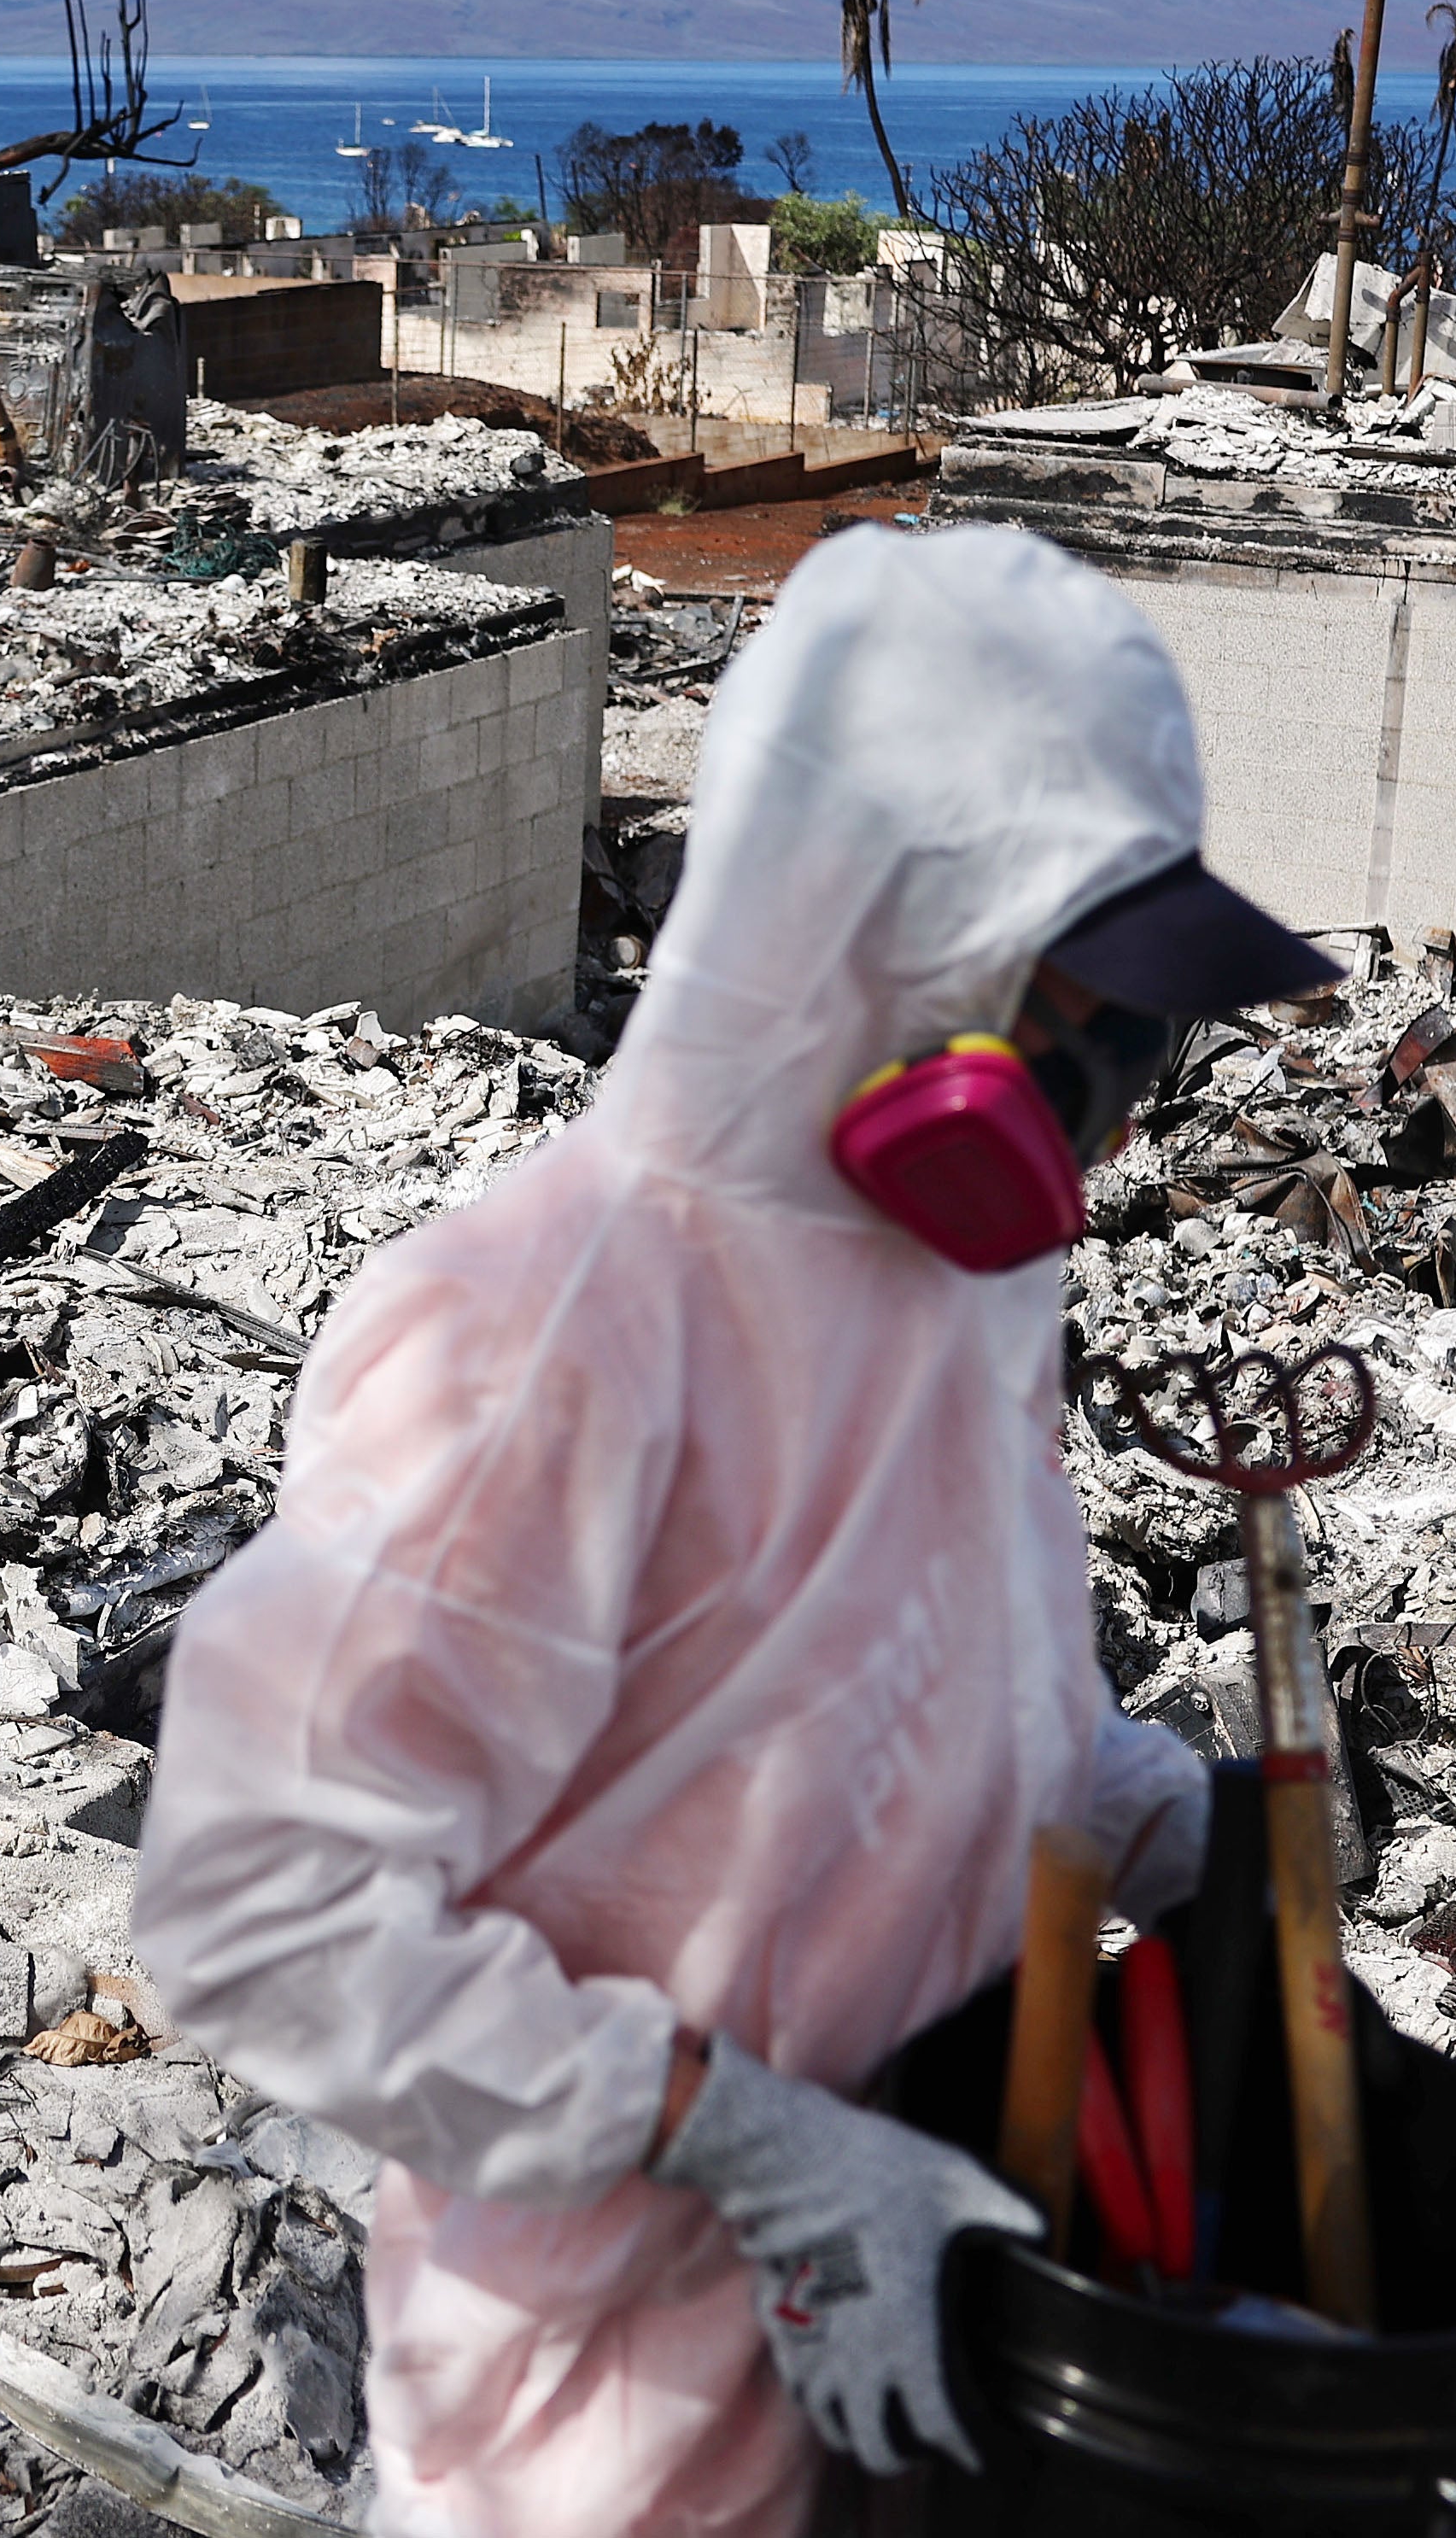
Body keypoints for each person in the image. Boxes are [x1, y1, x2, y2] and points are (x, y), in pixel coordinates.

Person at [130, 523, 1343, 2534]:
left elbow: (884, 1686)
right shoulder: (547, 1325)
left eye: (1152, 1020)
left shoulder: (959, 1274)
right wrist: (744, 2136)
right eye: (1094, 1002)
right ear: (888, 929)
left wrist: (1148, 1807)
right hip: (608, 2418)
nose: (1124, 1093)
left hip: (918, 2323)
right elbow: (262, 1910)